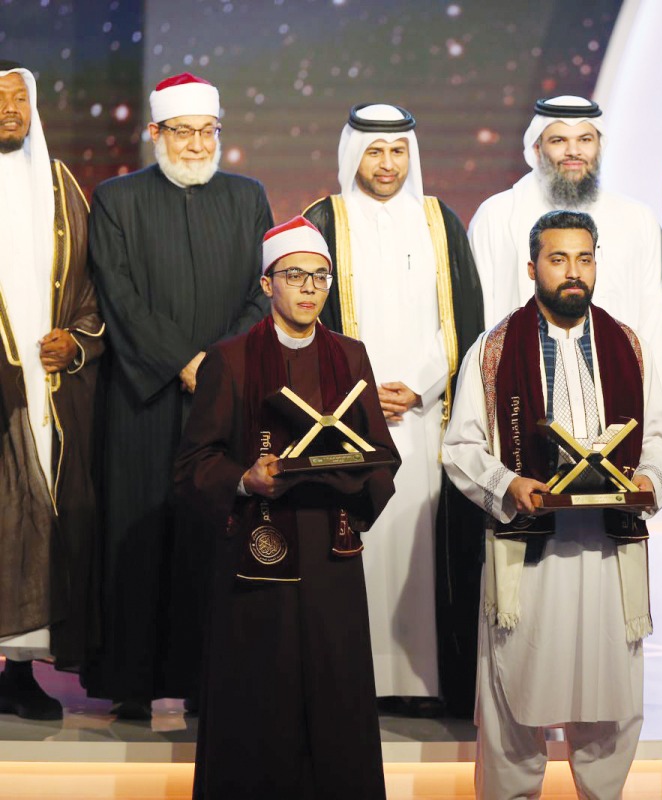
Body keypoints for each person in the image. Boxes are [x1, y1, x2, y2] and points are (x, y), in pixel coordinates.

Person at [443, 210, 662, 799]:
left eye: (584, 258)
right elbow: (461, 447)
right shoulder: (494, 349)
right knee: (515, 693)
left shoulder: (629, 346)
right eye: (558, 259)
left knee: (610, 697)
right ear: (532, 268)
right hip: (530, 555)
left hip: (607, 550)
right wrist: (507, 485)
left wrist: (649, 480)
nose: (574, 272)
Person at [174, 216, 399, 800]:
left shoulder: (350, 356)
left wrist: (350, 477)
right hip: (257, 560)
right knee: (258, 702)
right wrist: (244, 480)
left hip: (331, 555)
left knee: (335, 697)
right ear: (266, 283)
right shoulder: (230, 359)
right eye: (294, 274)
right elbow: (194, 464)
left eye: (320, 276)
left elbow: (383, 457)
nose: (309, 287)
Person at [87, 72, 274, 718]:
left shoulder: (248, 197)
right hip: (141, 398)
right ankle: (132, 683)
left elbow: (263, 291)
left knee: (213, 534)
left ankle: (207, 681)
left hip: (223, 400)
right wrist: (182, 361)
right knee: (136, 534)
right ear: (155, 133)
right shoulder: (117, 199)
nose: (196, 145)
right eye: (182, 132)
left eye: (207, 131)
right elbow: (118, 294)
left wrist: (216, 366)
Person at [303, 103, 484, 717]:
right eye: (375, 151)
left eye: (398, 151)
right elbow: (310, 317)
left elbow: (462, 315)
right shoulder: (323, 220)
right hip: (347, 414)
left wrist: (423, 387)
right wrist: (363, 389)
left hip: (424, 415)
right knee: (360, 539)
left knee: (417, 543)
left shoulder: (438, 220)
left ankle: (421, 680)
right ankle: (354, 676)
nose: (387, 164)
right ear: (354, 153)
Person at [0, 61, 104, 719]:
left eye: (18, 99)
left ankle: (17, 671)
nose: (8, 109)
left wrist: (77, 341)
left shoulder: (62, 186)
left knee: (35, 525)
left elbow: (93, 286)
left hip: (48, 393)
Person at [469, 95, 662, 392]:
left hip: (616, 390)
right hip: (521, 391)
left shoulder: (637, 219)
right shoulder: (497, 215)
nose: (573, 151)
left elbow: (657, 321)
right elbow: (478, 317)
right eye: (559, 141)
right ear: (537, 149)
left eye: (585, 140)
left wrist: (660, 403)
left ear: (599, 146)